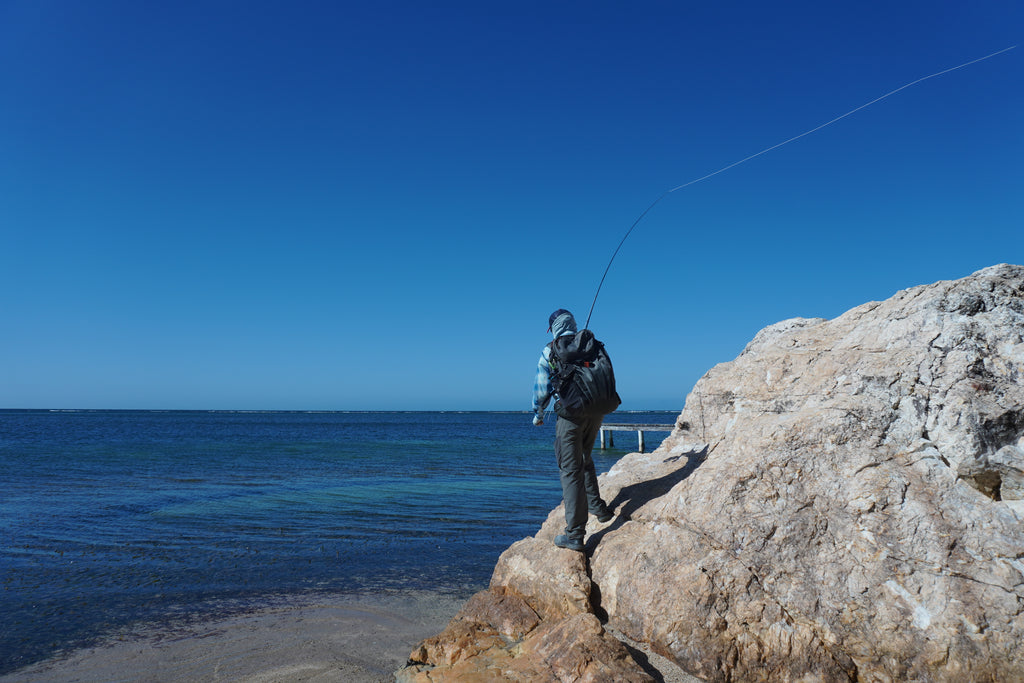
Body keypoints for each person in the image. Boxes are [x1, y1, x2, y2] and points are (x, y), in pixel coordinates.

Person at [532, 309, 615, 553]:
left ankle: (575, 535)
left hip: (570, 416)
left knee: (570, 470)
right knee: (585, 459)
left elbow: (541, 388)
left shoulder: (551, 349)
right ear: (573, 323)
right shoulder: (593, 344)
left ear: (552, 329)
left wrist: (538, 415)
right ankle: (598, 508)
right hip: (597, 411)